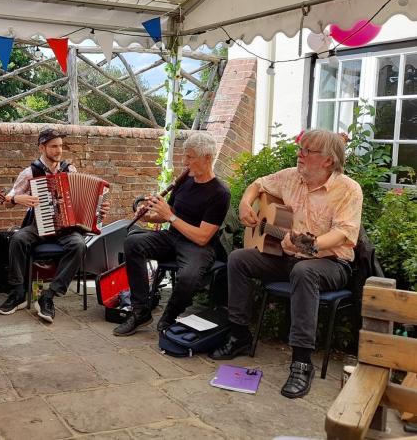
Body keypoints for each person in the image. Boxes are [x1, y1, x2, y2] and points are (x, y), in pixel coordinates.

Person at [209, 129, 362, 399]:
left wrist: (313, 244)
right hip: (289, 257)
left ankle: (302, 362)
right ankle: (239, 335)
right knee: (239, 259)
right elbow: (258, 185)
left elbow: (344, 233)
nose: (299, 154)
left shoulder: (348, 189)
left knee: (305, 271)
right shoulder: (290, 177)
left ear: (327, 160)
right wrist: (245, 203)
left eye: (307, 151)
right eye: (300, 148)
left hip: (330, 263)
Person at [113, 132, 230, 336]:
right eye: (184, 156)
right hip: (173, 237)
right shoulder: (185, 181)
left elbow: (203, 236)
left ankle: (170, 315)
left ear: (207, 158)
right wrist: (150, 217)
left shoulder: (220, 193)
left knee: (188, 277)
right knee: (133, 243)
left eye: (190, 157)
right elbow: (172, 214)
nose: (185, 162)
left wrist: (169, 217)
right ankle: (140, 311)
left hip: (198, 246)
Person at [0, 127, 110, 323]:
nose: (59, 150)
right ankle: (18, 292)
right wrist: (17, 199)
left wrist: (99, 208)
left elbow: (84, 202)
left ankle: (49, 296)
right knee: (18, 239)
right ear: (42, 147)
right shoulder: (29, 172)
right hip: (38, 224)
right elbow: (6, 201)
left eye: (60, 146)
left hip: (66, 227)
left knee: (79, 245)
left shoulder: (70, 170)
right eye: (53, 146)